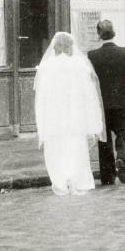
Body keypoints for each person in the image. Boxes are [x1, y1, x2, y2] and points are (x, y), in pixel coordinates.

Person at [34, 31, 104, 196]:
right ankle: (76, 179)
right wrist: (91, 120)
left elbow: (41, 98)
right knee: (75, 148)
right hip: (76, 116)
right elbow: (89, 95)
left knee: (57, 150)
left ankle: (61, 180)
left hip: (54, 117)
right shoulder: (80, 64)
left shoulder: (46, 67)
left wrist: (42, 122)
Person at [88, 19, 125, 186]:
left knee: (104, 140)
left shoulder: (92, 56)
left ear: (99, 35)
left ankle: (108, 176)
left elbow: (89, 82)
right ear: (114, 33)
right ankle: (122, 158)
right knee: (123, 134)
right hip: (121, 103)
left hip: (101, 105)